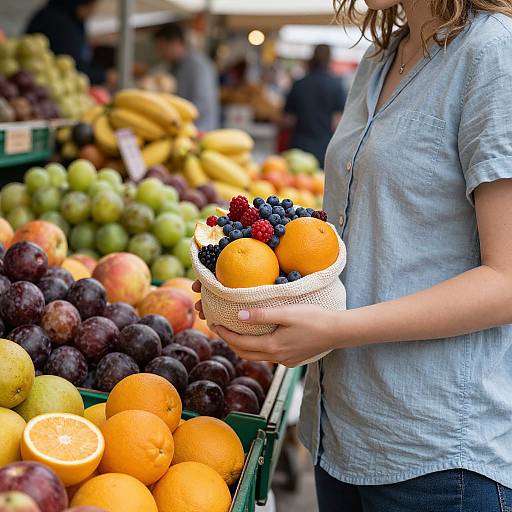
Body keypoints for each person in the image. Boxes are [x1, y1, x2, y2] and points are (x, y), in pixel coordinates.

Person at [195, 0, 512, 510]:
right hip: (341, 435)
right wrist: (256, 280)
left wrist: (337, 329)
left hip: (439, 455)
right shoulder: (382, 56)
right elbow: (368, 238)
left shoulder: (495, 53)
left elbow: (507, 281)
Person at [282, 44, 347, 165]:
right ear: (329, 59)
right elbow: (337, 122)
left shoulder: (299, 84)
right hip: (324, 148)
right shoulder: (336, 85)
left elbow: (288, 119)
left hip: (299, 147)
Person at [154, 23, 219, 132]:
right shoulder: (173, 67)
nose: (160, 54)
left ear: (176, 42)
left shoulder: (198, 66)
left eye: (162, 48)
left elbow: (201, 105)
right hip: (183, 130)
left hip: (198, 132)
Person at [25, 0, 107, 85]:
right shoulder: (61, 25)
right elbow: (73, 66)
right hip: (47, 83)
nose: (93, 12)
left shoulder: (59, 14)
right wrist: (103, 76)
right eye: (92, 6)